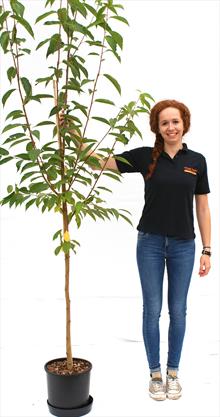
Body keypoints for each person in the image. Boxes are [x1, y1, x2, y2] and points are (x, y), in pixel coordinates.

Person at [59, 99, 211, 401]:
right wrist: (72, 132)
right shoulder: (146, 157)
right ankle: (155, 374)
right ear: (157, 126)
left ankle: (173, 373)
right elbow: (99, 161)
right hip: (150, 244)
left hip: (184, 245)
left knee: (178, 311)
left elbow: (203, 207)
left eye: (176, 121)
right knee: (152, 310)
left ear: (185, 124)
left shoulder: (197, 160)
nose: (171, 127)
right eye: (164, 122)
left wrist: (208, 249)